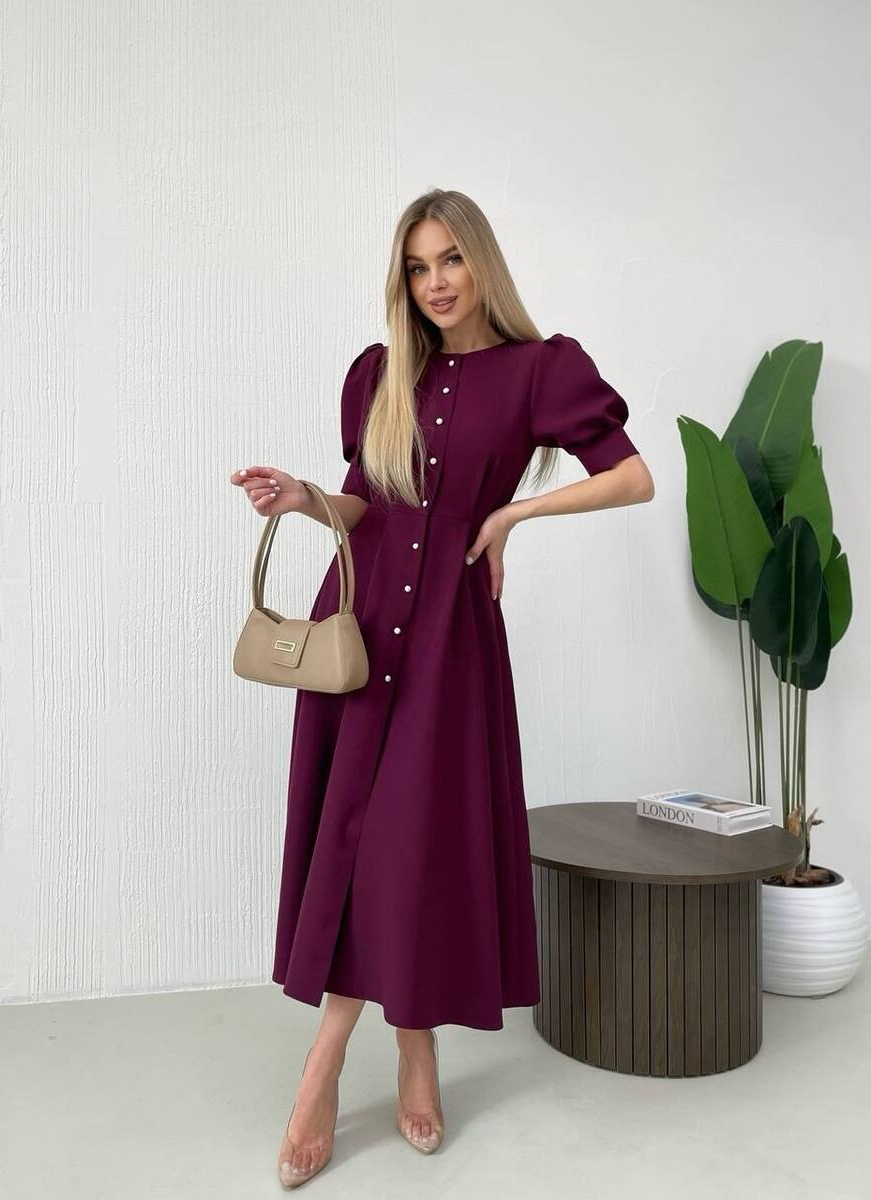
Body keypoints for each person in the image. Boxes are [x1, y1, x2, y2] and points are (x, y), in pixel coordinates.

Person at [230, 188, 655, 1187]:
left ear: (482, 262)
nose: (436, 283)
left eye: (451, 260)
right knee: (359, 836)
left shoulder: (540, 370)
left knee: (410, 844)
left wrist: (510, 519)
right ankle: (349, 1061)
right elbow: (365, 504)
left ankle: (383, 1052)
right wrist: (301, 499)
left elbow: (632, 477)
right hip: (360, 623)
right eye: (418, 268)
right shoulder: (380, 373)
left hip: (449, 645)